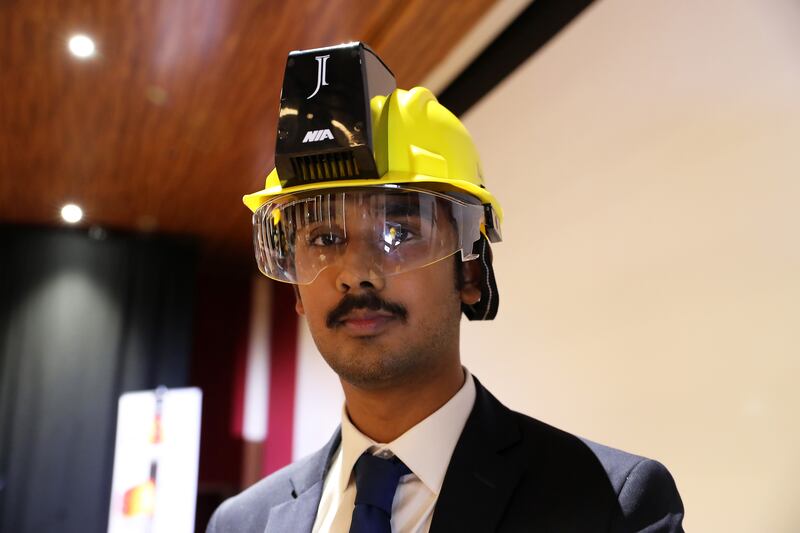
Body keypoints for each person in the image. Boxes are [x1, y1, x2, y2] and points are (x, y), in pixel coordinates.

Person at [207, 42, 684, 533]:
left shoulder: (611, 506)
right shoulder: (241, 523)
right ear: (298, 292)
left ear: (471, 272)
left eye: (400, 232)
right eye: (325, 238)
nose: (356, 273)